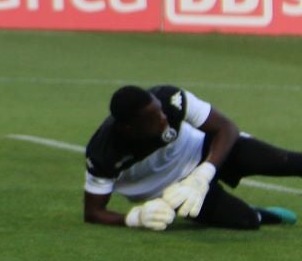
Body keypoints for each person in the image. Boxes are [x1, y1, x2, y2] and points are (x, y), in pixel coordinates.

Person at [84, 85, 299, 231]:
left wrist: (203, 174)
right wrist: (134, 218)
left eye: (160, 111)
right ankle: (265, 214)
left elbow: (227, 127)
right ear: (129, 128)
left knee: (287, 161)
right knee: (247, 221)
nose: (163, 119)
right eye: (153, 118)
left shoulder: (171, 99)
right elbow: (93, 212)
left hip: (203, 149)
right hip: (172, 189)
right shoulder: (103, 153)